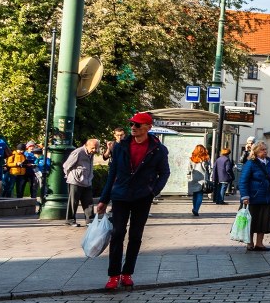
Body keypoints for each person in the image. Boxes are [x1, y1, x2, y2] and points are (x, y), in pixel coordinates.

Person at [96, 112, 171, 291]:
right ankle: (114, 275)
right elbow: (112, 173)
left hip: (142, 197)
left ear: (148, 127)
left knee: (135, 236)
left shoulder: (158, 149)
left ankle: (127, 273)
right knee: (117, 234)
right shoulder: (120, 146)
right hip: (120, 195)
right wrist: (104, 199)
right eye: (132, 124)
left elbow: (164, 173)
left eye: (137, 125)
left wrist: (153, 191)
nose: (133, 128)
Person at [238, 141, 270, 252]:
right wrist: (245, 196)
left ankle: (259, 243)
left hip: (266, 197)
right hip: (253, 197)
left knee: (263, 221)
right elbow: (243, 180)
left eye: (266, 149)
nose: (265, 151)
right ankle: (250, 243)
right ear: (256, 151)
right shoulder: (250, 163)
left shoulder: (269, 162)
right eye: (262, 150)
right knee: (251, 221)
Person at [63, 138, 99, 227]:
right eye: (92, 148)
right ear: (87, 146)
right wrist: (71, 175)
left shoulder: (91, 154)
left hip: (87, 180)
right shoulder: (78, 152)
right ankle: (70, 220)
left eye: (96, 148)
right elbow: (66, 165)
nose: (94, 150)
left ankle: (90, 220)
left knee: (88, 201)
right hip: (75, 181)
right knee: (73, 202)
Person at [187, 144, 212, 216]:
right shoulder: (206, 159)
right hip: (203, 179)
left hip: (194, 178)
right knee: (200, 194)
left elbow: (189, 169)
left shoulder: (192, 159)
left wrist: (189, 177)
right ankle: (196, 209)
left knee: (195, 194)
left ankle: (194, 208)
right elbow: (210, 169)